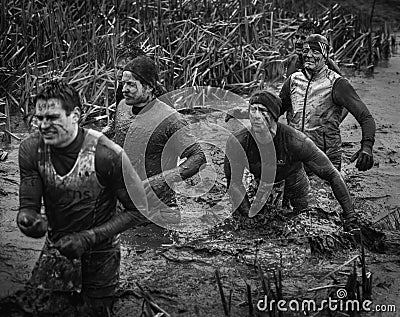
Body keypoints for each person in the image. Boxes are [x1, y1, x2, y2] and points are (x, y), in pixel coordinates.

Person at [17, 80, 148, 316]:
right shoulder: (31, 149)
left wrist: (89, 238)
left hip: (101, 252)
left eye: (53, 118)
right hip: (57, 247)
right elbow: (29, 203)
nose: (44, 126)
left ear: (75, 115)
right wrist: (28, 221)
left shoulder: (107, 155)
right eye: (39, 118)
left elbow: (138, 210)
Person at [224, 90, 358, 230]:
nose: (257, 116)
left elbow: (332, 174)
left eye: (263, 110)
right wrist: (248, 215)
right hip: (261, 183)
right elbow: (234, 182)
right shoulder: (237, 142)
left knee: (304, 222)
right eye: (253, 110)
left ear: (274, 115)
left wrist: (350, 216)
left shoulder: (296, 142)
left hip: (294, 182)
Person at [121, 55, 206, 226]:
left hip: (159, 210)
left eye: (131, 84)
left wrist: (159, 181)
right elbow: (111, 133)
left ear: (149, 87)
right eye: (123, 83)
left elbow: (198, 157)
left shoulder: (170, 119)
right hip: (124, 202)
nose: (124, 89)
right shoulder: (122, 107)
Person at [279, 34, 376, 172]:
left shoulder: (337, 84)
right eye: (306, 51)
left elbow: (366, 117)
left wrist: (367, 147)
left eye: (315, 51)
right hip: (295, 156)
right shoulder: (293, 81)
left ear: (325, 56)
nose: (309, 55)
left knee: (322, 193)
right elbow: (275, 111)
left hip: (325, 158)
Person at [101, 44, 146, 139]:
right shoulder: (122, 87)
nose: (118, 74)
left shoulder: (153, 90)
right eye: (117, 68)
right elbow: (120, 114)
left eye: (123, 69)